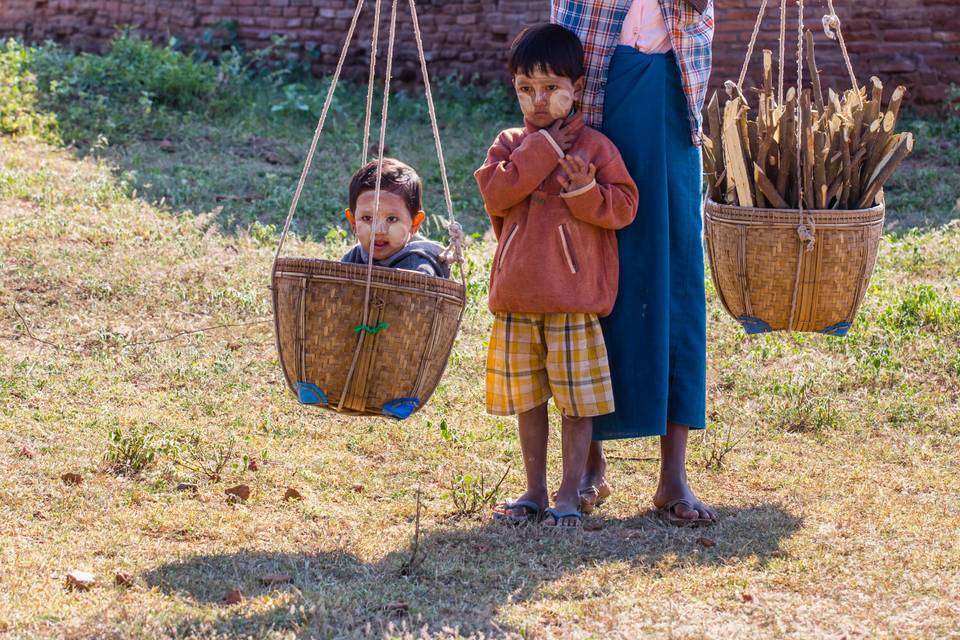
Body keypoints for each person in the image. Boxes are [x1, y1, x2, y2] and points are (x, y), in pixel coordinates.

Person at [552, 0, 718, 526]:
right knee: (592, 269)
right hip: (592, 81)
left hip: (672, 83)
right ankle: (588, 459)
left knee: (676, 279)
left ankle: (674, 474)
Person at [475, 24, 639, 528]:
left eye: (551, 88)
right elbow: (496, 194)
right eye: (526, 89)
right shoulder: (509, 144)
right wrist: (542, 147)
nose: (538, 100)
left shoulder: (595, 148)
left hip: (574, 299)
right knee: (528, 400)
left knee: (575, 402)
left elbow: (625, 207)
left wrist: (586, 191)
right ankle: (533, 492)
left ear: (579, 88)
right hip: (518, 298)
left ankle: (570, 493)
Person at [341, 158, 450, 278]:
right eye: (367, 218)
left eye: (392, 219)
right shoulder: (353, 258)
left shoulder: (418, 268)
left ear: (415, 223)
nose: (378, 230)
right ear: (353, 222)